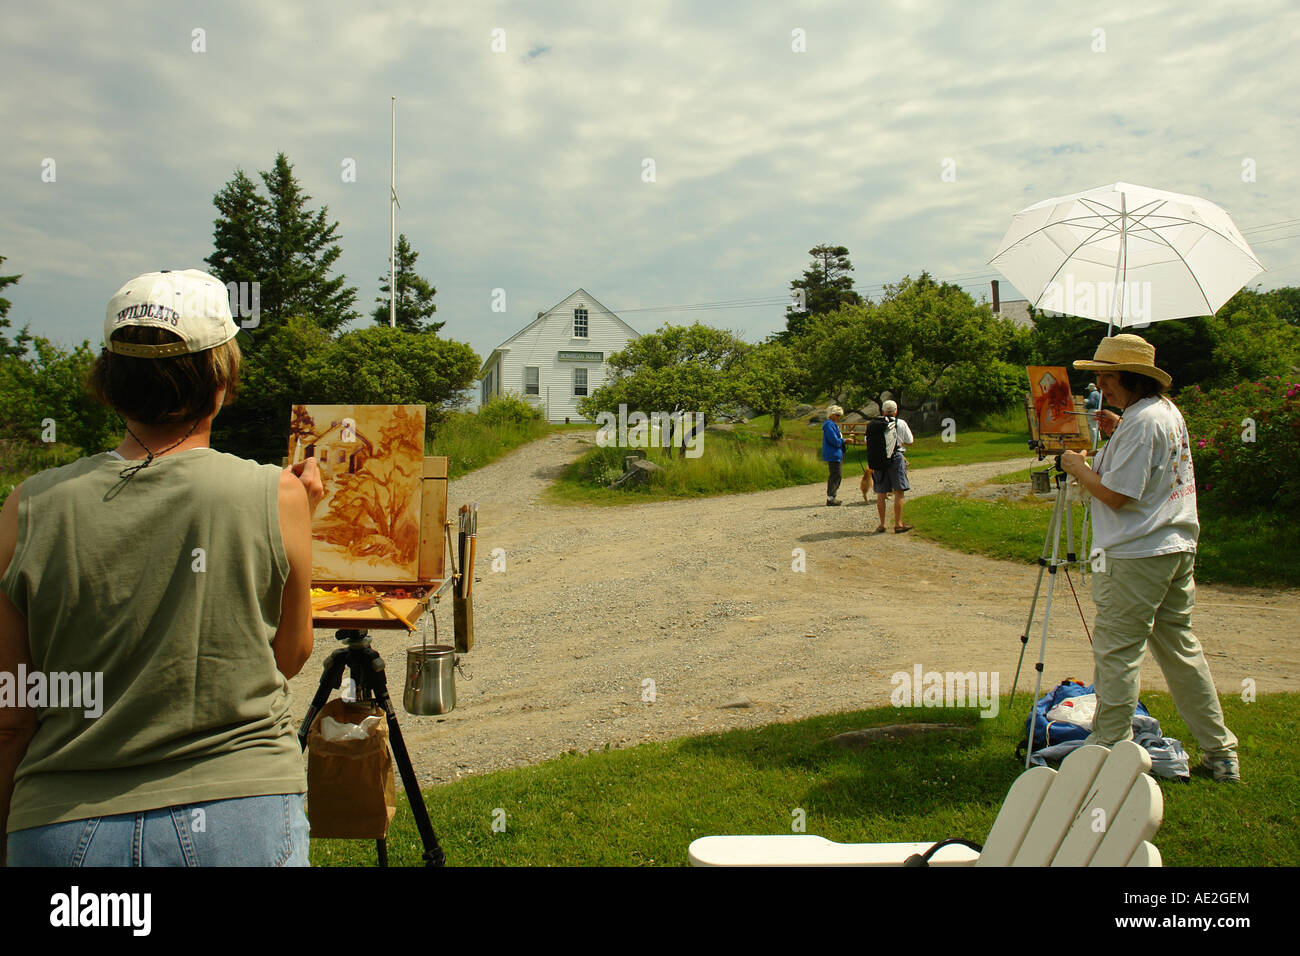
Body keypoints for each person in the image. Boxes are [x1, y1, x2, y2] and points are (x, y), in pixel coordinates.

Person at [0, 269, 328, 866]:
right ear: (221, 378)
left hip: (63, 825)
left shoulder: (28, 507)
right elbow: (289, 654)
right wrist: (295, 516)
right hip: (237, 808)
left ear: (109, 380)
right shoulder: (277, 496)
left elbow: (13, 712)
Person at [1059, 334, 1239, 782]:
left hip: (1138, 552)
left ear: (1129, 377)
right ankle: (1220, 753)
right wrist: (1115, 432)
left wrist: (1077, 468)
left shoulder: (1143, 423)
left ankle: (1105, 755)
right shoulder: (1159, 414)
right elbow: (1147, 467)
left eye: (1105, 374)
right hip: (1173, 546)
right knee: (1181, 650)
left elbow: (1118, 495)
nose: (1099, 382)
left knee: (1117, 654)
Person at [873, 400, 914, 533]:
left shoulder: (875, 424)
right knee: (899, 491)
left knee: (881, 493)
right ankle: (898, 523)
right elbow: (910, 441)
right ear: (895, 411)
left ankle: (882, 524)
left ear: (883, 411)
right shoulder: (901, 423)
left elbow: (868, 442)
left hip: (879, 460)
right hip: (896, 458)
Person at [821, 405, 846, 506]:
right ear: (832, 415)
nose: (839, 417)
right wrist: (844, 441)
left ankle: (832, 496)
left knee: (837, 475)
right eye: (837, 415)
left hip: (836, 453)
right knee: (835, 475)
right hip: (833, 453)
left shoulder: (832, 425)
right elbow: (834, 440)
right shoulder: (829, 425)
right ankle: (831, 498)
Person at [1084, 382, 1103, 447]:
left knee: (1092, 426)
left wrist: (1085, 405)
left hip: (1092, 410)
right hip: (1098, 410)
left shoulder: (1092, 394)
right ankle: (1099, 439)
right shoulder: (1098, 393)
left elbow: (1091, 403)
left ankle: (1094, 440)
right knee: (1096, 425)